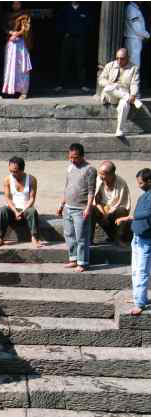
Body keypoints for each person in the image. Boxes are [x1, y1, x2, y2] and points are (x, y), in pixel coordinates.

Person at [56, 143, 97, 273]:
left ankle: (83, 262)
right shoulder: (70, 168)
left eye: (75, 157)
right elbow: (67, 187)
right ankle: (73, 259)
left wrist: (88, 208)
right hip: (68, 207)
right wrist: (61, 204)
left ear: (82, 156)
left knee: (81, 237)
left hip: (81, 209)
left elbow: (91, 191)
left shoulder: (90, 169)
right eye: (70, 157)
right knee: (69, 235)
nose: (72, 160)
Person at [115, 168, 151, 316]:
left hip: (146, 240)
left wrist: (128, 218)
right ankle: (138, 297)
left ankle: (140, 303)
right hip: (137, 237)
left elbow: (148, 212)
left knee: (142, 271)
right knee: (136, 270)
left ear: (149, 181)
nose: (139, 185)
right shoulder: (145, 195)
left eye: (141, 183)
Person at [0, 156, 40, 249]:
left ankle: (34, 237)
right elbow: (7, 198)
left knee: (32, 211)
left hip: (26, 208)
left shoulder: (31, 179)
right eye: (10, 171)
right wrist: (15, 211)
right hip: (12, 209)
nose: (12, 173)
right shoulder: (7, 179)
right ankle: (0, 238)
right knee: (2, 210)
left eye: (15, 171)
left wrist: (22, 211)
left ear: (22, 170)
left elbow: (32, 199)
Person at [98, 48, 142, 137]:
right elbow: (101, 80)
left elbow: (135, 83)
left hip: (123, 93)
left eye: (122, 58)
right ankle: (131, 99)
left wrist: (133, 94)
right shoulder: (109, 65)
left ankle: (119, 129)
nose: (119, 60)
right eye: (117, 58)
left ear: (128, 58)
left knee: (125, 105)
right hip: (111, 95)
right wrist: (111, 84)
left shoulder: (134, 68)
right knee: (108, 88)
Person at [54, 2, 92, 93]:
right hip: (67, 39)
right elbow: (59, 23)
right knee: (64, 61)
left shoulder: (85, 9)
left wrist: (83, 34)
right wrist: (63, 34)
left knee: (81, 62)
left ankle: (82, 85)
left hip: (80, 39)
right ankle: (60, 84)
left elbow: (89, 24)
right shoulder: (65, 9)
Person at [92, 160, 132, 246]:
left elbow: (123, 204)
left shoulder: (121, 183)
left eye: (103, 174)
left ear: (111, 174)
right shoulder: (98, 180)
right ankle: (89, 239)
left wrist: (108, 214)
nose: (101, 176)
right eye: (100, 173)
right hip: (101, 210)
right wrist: (103, 213)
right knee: (90, 209)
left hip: (114, 211)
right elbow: (96, 200)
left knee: (122, 210)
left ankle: (118, 238)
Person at [2, 2, 32, 99]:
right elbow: (4, 27)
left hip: (21, 44)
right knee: (10, 66)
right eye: (14, 3)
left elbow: (26, 29)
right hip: (11, 44)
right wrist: (11, 32)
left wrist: (17, 34)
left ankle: (23, 92)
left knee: (21, 67)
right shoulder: (7, 15)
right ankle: (10, 90)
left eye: (18, 3)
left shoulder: (25, 15)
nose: (16, 6)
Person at [125, 1, 150, 67]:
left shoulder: (134, 8)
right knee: (134, 65)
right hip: (133, 40)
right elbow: (137, 29)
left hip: (134, 39)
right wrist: (148, 35)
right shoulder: (132, 9)